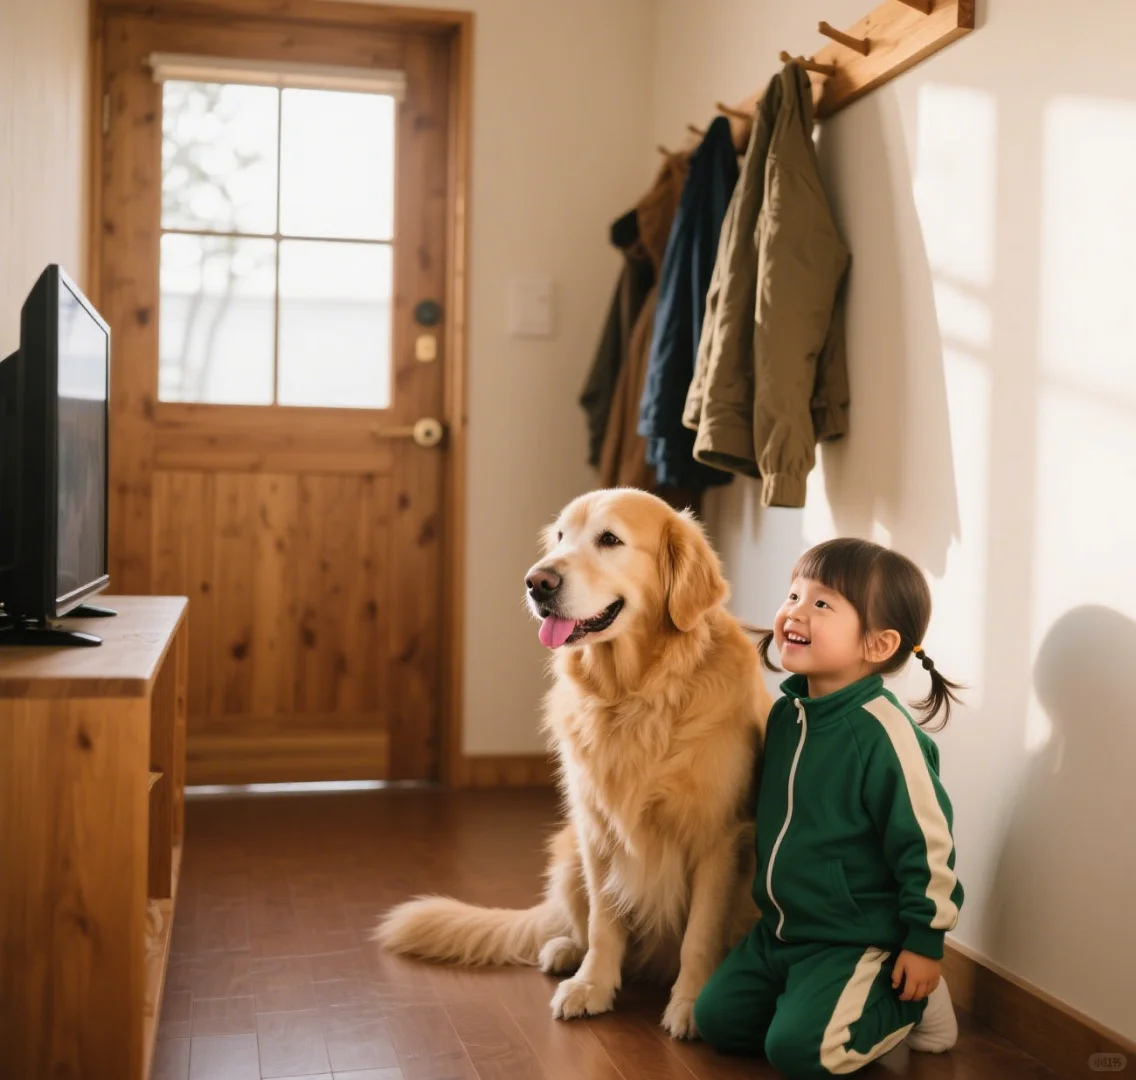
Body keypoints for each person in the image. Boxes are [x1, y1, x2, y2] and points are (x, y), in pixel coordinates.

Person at [694, 538, 965, 1078]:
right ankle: (813, 1002)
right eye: (794, 594)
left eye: (821, 604)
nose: (795, 610)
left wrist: (924, 941)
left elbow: (928, 846)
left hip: (854, 937)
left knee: (801, 1054)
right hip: (779, 931)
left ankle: (911, 1002)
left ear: (879, 643)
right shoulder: (786, 716)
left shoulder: (884, 736)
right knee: (715, 1020)